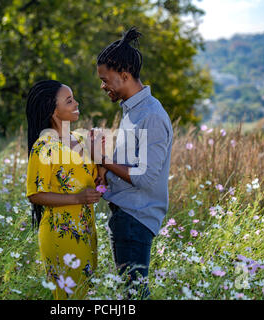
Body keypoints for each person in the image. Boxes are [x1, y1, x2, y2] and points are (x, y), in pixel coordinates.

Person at [91, 26, 173, 299]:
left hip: (136, 218)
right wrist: (105, 170)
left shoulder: (151, 115)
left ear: (124, 75)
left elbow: (145, 176)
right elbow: (129, 164)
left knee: (135, 295)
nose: (102, 86)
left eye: (105, 80)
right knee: (132, 293)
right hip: (126, 216)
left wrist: (103, 160)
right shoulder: (132, 111)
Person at [25, 80, 103, 299]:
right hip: (61, 232)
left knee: (84, 294)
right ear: (53, 109)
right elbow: (35, 194)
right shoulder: (44, 146)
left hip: (87, 230)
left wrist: (101, 162)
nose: (76, 103)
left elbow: (93, 180)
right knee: (70, 298)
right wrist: (77, 198)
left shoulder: (80, 138)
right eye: (69, 100)